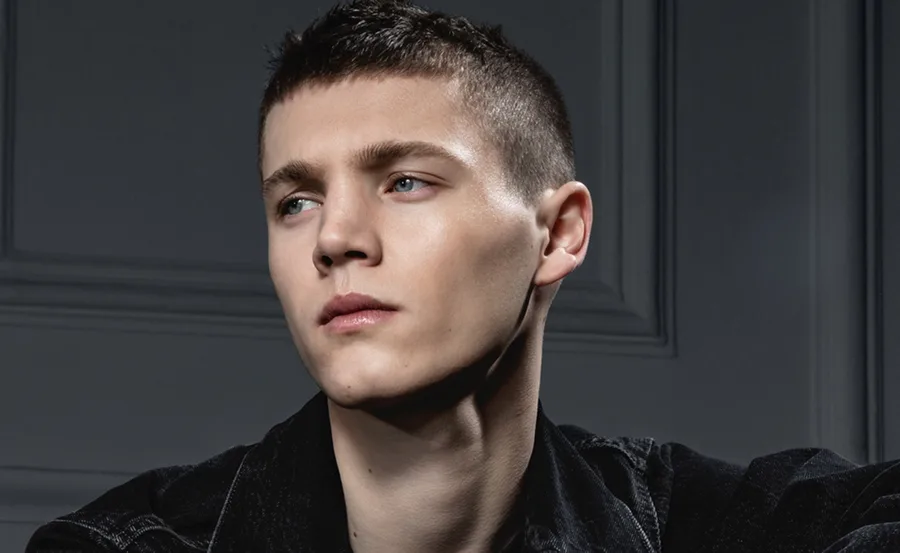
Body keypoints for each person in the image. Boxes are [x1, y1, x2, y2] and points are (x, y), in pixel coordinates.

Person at [26, 1, 900, 552]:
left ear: (557, 234)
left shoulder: (697, 521)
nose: (334, 237)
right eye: (295, 200)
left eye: (405, 181)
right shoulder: (128, 543)